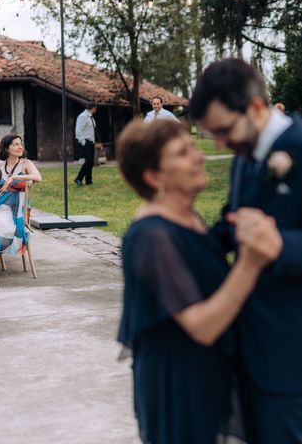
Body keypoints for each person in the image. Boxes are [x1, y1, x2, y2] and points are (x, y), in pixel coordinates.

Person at [189, 58, 302, 444]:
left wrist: (284, 244)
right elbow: (234, 221)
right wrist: (181, 243)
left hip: (288, 349)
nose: (220, 144)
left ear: (255, 108)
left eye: (223, 130)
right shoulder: (245, 154)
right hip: (242, 341)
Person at [117, 118, 282, 444]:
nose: (198, 157)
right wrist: (250, 263)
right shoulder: (151, 237)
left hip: (204, 375)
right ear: (154, 177)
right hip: (178, 386)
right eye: (182, 152)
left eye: (193, 147)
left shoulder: (186, 219)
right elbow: (201, 325)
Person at [0, 135, 42, 256]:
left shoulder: (26, 163)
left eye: (20, 144)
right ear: (6, 149)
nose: (20, 147)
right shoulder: (0, 165)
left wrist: (15, 177)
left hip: (16, 211)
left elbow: (38, 177)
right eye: (15, 144)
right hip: (0, 205)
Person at [74, 102, 97, 186]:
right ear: (93, 108)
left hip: (90, 141)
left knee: (90, 161)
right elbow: (78, 130)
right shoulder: (83, 116)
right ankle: (79, 178)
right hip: (85, 141)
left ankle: (88, 180)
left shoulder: (90, 117)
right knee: (89, 161)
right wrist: (83, 142)